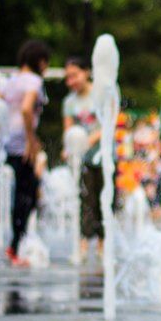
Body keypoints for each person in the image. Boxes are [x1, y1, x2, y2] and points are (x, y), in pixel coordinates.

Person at [1, 39, 50, 265]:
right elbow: (26, 108)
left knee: (14, 196)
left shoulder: (11, 81)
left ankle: (14, 247)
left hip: (6, 145)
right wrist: (31, 142)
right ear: (41, 61)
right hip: (22, 147)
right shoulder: (34, 82)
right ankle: (15, 249)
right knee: (25, 199)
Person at [63, 56, 102, 257]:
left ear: (86, 72)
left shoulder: (100, 93)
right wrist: (68, 148)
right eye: (68, 78)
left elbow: (107, 124)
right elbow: (68, 130)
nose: (71, 81)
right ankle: (84, 244)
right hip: (83, 160)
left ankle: (103, 245)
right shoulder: (69, 102)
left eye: (74, 75)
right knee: (85, 200)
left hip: (104, 157)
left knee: (104, 201)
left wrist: (88, 140)